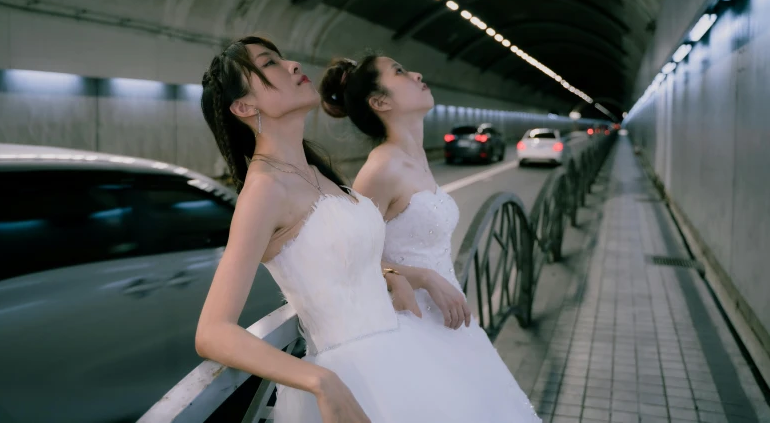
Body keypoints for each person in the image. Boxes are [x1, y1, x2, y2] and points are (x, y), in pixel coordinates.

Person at [195, 36, 541, 423]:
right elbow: (212, 331)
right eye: (270, 64)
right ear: (244, 106)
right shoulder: (263, 190)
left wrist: (395, 275)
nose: (292, 64)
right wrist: (319, 380)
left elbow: (342, 257)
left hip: (403, 353)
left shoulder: (317, 174)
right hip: (355, 376)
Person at [321, 54, 539, 416]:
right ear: (380, 102)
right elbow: (347, 257)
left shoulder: (416, 159)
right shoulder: (381, 169)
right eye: (401, 71)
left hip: (452, 324)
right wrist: (422, 277)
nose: (418, 72)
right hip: (413, 330)